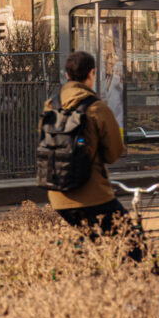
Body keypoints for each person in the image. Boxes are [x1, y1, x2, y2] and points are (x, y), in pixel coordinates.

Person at [44, 49, 143, 260]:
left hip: (58, 196)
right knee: (132, 246)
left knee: (94, 245)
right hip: (93, 195)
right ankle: (139, 283)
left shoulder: (51, 106)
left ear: (67, 75)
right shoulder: (96, 107)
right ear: (91, 73)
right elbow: (114, 153)